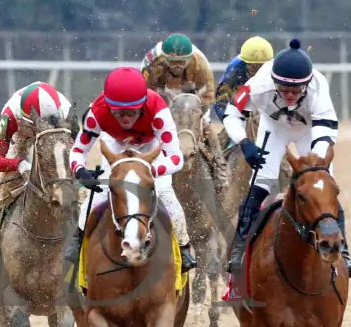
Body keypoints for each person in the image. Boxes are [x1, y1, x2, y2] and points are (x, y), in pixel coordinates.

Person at [222, 38, 351, 278]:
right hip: (274, 127)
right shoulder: (258, 85)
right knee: (260, 182)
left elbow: (325, 134)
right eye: (284, 90)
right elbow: (232, 113)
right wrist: (244, 143)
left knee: (321, 186)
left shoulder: (318, 87)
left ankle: (343, 252)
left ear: (307, 84)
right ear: (273, 82)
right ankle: (239, 249)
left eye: (296, 90)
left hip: (310, 130)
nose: (290, 95)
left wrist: (318, 166)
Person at [67, 67, 196, 272]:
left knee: (165, 193)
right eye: (119, 113)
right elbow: (77, 151)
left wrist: (148, 171)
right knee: (97, 197)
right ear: (109, 108)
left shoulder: (158, 111)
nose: (126, 119)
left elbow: (175, 158)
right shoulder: (96, 113)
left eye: (132, 112)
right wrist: (81, 172)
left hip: (149, 147)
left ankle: (184, 245)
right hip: (115, 144)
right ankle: (78, 240)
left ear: (143, 107)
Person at [0, 81, 72, 236]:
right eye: (36, 129)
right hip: (22, 139)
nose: (41, 133)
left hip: (56, 137)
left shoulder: (66, 112)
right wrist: (19, 164)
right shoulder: (11, 115)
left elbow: (78, 154)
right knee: (4, 194)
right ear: (24, 121)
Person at [141, 32, 227, 190]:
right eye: (173, 62)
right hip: (162, 96)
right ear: (165, 58)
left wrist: (194, 115)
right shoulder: (153, 63)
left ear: (189, 58)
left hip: (192, 99)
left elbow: (208, 96)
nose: (178, 66)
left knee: (207, 128)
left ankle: (219, 169)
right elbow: (145, 95)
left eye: (182, 62)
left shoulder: (200, 63)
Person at [212, 36, 274, 123]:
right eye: (253, 66)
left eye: (262, 66)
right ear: (245, 63)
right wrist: (232, 122)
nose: (257, 71)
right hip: (239, 109)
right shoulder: (234, 72)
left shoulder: (275, 70)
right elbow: (220, 103)